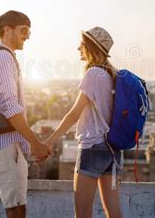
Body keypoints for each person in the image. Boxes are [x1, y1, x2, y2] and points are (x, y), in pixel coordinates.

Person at [0, 10, 52, 218]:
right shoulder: (2, 58)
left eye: (29, 32)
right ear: (6, 29)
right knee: (16, 208)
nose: (27, 36)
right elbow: (10, 106)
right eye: (23, 30)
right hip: (3, 147)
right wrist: (35, 143)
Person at [44, 27, 122, 218]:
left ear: (90, 47)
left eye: (82, 44)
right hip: (113, 150)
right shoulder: (113, 74)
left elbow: (73, 115)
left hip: (92, 148)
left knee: (83, 212)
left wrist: (49, 141)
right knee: (113, 210)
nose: (78, 48)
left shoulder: (94, 74)